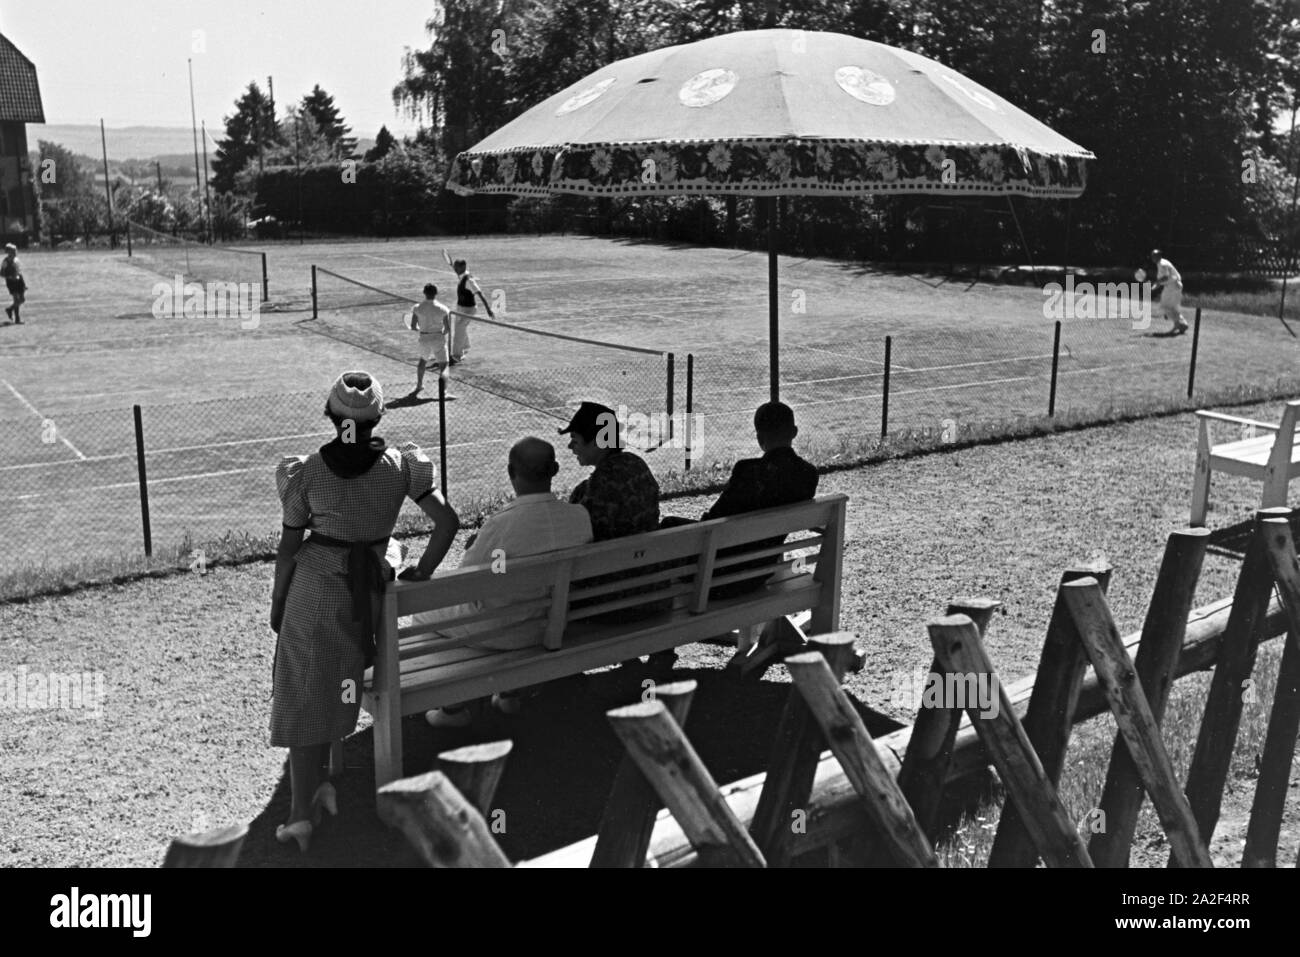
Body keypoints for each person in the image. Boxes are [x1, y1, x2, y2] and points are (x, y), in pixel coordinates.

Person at [269, 370, 458, 852]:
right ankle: (328, 784)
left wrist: (278, 603)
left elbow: (290, 549)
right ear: (378, 416)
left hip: (315, 590)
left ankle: (299, 815)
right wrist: (420, 570)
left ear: (332, 417)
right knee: (340, 679)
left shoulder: (307, 471)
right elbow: (447, 522)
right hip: (367, 590)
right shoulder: (401, 466)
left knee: (303, 692)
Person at [420, 437, 594, 728]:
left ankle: (453, 705)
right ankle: (510, 693)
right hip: (550, 625)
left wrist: (476, 548)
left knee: (422, 615)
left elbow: (466, 581)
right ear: (555, 470)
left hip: (499, 631)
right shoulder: (579, 517)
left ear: (511, 473)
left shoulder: (500, 525)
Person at [698, 400, 819, 599]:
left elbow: (714, 520)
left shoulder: (747, 471)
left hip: (720, 576)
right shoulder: (808, 475)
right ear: (794, 432)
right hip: (761, 571)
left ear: (759, 437)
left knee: (669, 524)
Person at [563, 401, 660, 540]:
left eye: (575, 440)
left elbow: (578, 534)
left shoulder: (600, 483)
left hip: (616, 560)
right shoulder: (636, 464)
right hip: (650, 554)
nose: (570, 446)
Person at [450, 258, 495, 364]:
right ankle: (465, 347)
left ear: (463, 267)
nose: (455, 269)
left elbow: (479, 293)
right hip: (460, 307)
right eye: (454, 267)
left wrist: (488, 309)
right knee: (460, 328)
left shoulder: (469, 280)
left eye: (457, 267)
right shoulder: (462, 275)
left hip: (469, 310)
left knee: (459, 330)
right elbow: (459, 274)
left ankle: (457, 355)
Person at [409, 283, 451, 393]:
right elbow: (447, 328)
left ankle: (419, 385)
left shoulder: (417, 308)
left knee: (423, 361)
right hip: (438, 337)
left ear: (424, 293)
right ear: (436, 293)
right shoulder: (443, 309)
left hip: (424, 337)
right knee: (444, 365)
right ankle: (443, 392)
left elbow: (413, 326)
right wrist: (440, 333)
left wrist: (421, 330)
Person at [1151, 249, 1188, 335]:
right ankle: (1183, 324)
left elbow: (1165, 278)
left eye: (1154, 256)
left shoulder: (1162, 264)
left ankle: (1178, 324)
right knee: (1173, 308)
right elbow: (1163, 279)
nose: (1153, 257)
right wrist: (1153, 287)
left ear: (1158, 256)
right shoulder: (1164, 262)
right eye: (1152, 255)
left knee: (1164, 306)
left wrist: (1156, 282)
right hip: (1177, 286)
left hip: (1171, 287)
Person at [2, 244, 26, 324]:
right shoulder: (5, 261)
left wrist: (23, 282)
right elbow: (1, 273)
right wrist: (9, 276)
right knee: (16, 299)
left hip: (19, 280)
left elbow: (18, 271)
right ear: (9, 252)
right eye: (13, 250)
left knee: (22, 299)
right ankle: (17, 319)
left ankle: (10, 309)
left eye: (15, 250)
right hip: (11, 281)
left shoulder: (16, 259)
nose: (15, 252)